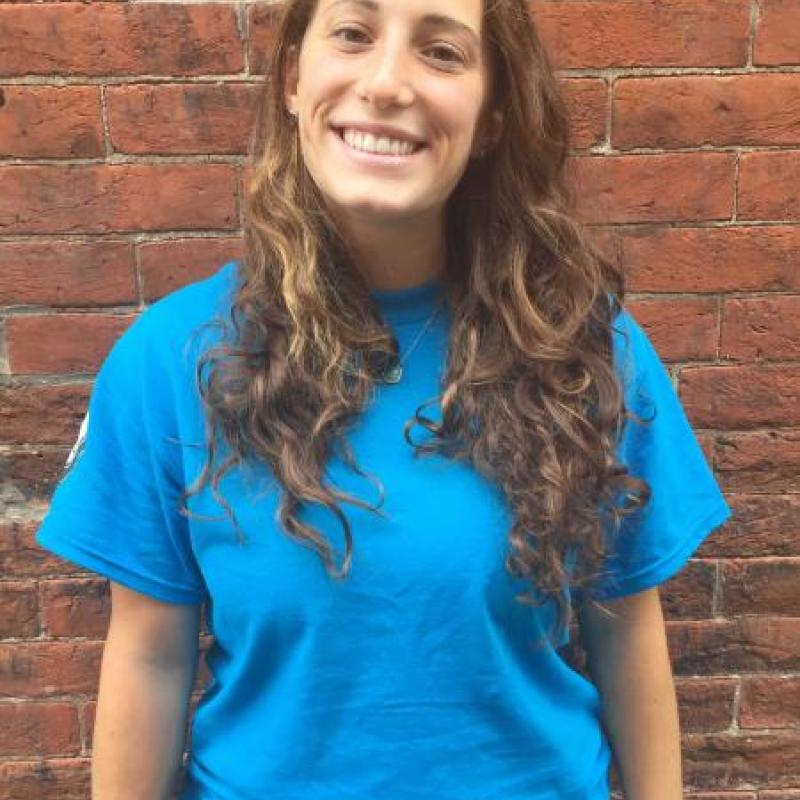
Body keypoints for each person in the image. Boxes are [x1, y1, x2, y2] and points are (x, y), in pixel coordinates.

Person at [35, 0, 732, 798]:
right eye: (353, 35)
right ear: (293, 78)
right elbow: (150, 659)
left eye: (442, 52)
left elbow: (627, 628)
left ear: (493, 116)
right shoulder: (170, 360)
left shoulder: (583, 349)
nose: (388, 83)